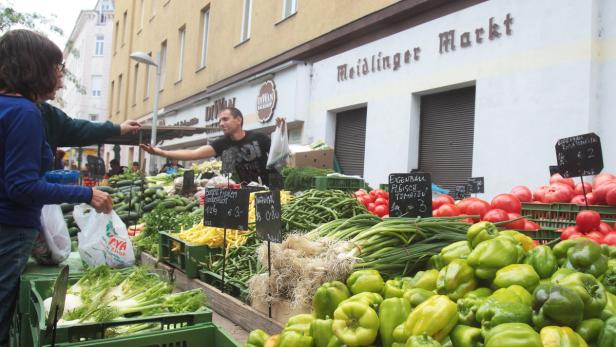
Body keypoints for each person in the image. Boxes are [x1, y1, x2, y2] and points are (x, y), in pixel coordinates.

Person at [0, 30, 113, 343]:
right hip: (9, 229)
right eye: (56, 65)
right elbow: (20, 187)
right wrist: (86, 193)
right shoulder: (25, 113)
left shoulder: (6, 108)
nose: (60, 74)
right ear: (33, 68)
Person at [141, 107, 279, 185]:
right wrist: (162, 153)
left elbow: (279, 155)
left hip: (271, 191)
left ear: (238, 120)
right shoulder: (223, 144)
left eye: (225, 119)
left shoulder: (259, 138)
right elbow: (194, 154)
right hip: (247, 194)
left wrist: (281, 131)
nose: (221, 123)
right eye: (219, 120)